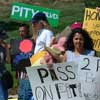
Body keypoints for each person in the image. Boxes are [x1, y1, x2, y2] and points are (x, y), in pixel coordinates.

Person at [15, 24, 34, 100]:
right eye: (20, 31)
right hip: (21, 76)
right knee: (21, 96)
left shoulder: (33, 42)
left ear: (27, 31)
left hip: (29, 75)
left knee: (27, 95)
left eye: (23, 31)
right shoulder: (17, 44)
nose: (21, 33)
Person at [0, 28, 10, 100]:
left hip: (3, 75)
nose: (3, 40)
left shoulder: (2, 47)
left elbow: (8, 61)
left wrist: (6, 49)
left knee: (4, 96)